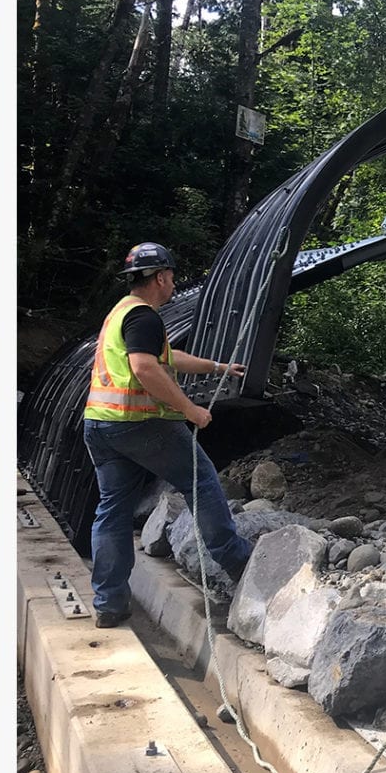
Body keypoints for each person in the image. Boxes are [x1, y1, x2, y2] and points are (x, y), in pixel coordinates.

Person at [81, 242, 255, 628]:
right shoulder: (145, 317)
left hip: (101, 425)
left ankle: (109, 604)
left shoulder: (121, 313)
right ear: (160, 277)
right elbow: (145, 368)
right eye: (172, 277)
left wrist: (217, 366)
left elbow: (166, 358)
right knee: (203, 481)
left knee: (112, 511)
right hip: (141, 425)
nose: (174, 284)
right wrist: (188, 409)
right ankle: (239, 562)